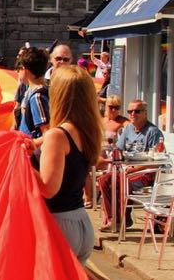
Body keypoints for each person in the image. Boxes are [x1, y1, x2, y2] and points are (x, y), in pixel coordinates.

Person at [29, 65, 102, 263]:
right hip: (81, 222)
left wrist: (20, 161)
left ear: (58, 95)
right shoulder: (88, 132)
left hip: (58, 225)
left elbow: (48, 188)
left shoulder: (57, 135)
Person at [96, 99, 163, 230]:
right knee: (104, 180)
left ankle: (121, 219)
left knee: (120, 182)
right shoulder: (128, 129)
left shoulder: (153, 132)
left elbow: (155, 161)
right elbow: (119, 150)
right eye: (130, 111)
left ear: (145, 113)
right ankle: (113, 218)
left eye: (137, 111)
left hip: (145, 173)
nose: (133, 114)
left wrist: (132, 169)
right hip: (126, 170)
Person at [17, 47, 50, 140]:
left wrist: (32, 144)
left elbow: (47, 133)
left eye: (19, 68)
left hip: (32, 150)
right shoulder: (46, 90)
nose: (18, 72)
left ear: (24, 69)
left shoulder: (37, 97)